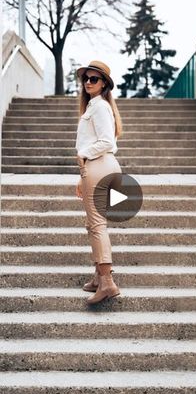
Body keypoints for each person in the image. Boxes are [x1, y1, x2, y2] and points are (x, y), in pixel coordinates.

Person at [75, 60, 123, 305]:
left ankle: (107, 282)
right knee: (92, 223)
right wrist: (81, 174)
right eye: (86, 79)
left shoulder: (100, 106)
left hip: (99, 164)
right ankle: (98, 276)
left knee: (96, 224)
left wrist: (83, 157)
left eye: (94, 79)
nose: (88, 83)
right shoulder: (94, 106)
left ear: (104, 83)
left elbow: (106, 142)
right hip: (95, 167)